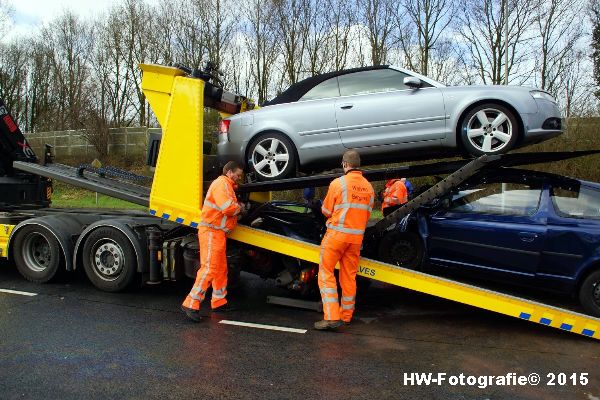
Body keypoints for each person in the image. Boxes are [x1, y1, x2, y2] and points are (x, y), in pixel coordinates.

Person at [315, 150, 374, 331]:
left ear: (344, 164)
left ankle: (332, 317)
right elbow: (368, 213)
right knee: (349, 277)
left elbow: (325, 211)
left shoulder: (338, 183)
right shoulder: (369, 188)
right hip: (355, 239)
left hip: (336, 237)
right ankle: (346, 315)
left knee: (326, 274)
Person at [181, 161, 244, 322]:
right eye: (237, 175)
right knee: (209, 269)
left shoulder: (226, 185)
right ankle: (190, 303)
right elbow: (228, 208)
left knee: (220, 269)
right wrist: (241, 207)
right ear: (229, 172)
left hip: (217, 233)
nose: (239, 178)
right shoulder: (221, 184)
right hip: (211, 232)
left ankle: (219, 301)